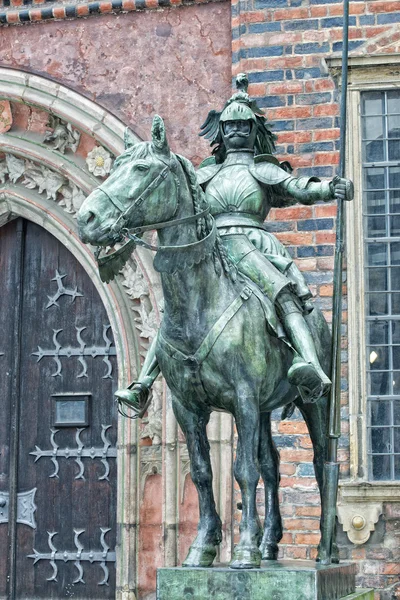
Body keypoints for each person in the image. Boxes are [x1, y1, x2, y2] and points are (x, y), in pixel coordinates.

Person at [116, 74, 353, 412]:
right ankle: (143, 383)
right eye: (230, 126)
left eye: (244, 125)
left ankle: (309, 362)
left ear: (254, 131)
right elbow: (177, 198)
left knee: (282, 292)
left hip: (252, 244)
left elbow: (298, 187)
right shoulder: (207, 173)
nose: (237, 131)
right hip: (212, 249)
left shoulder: (262, 169)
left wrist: (329, 188)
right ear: (221, 132)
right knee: (177, 309)